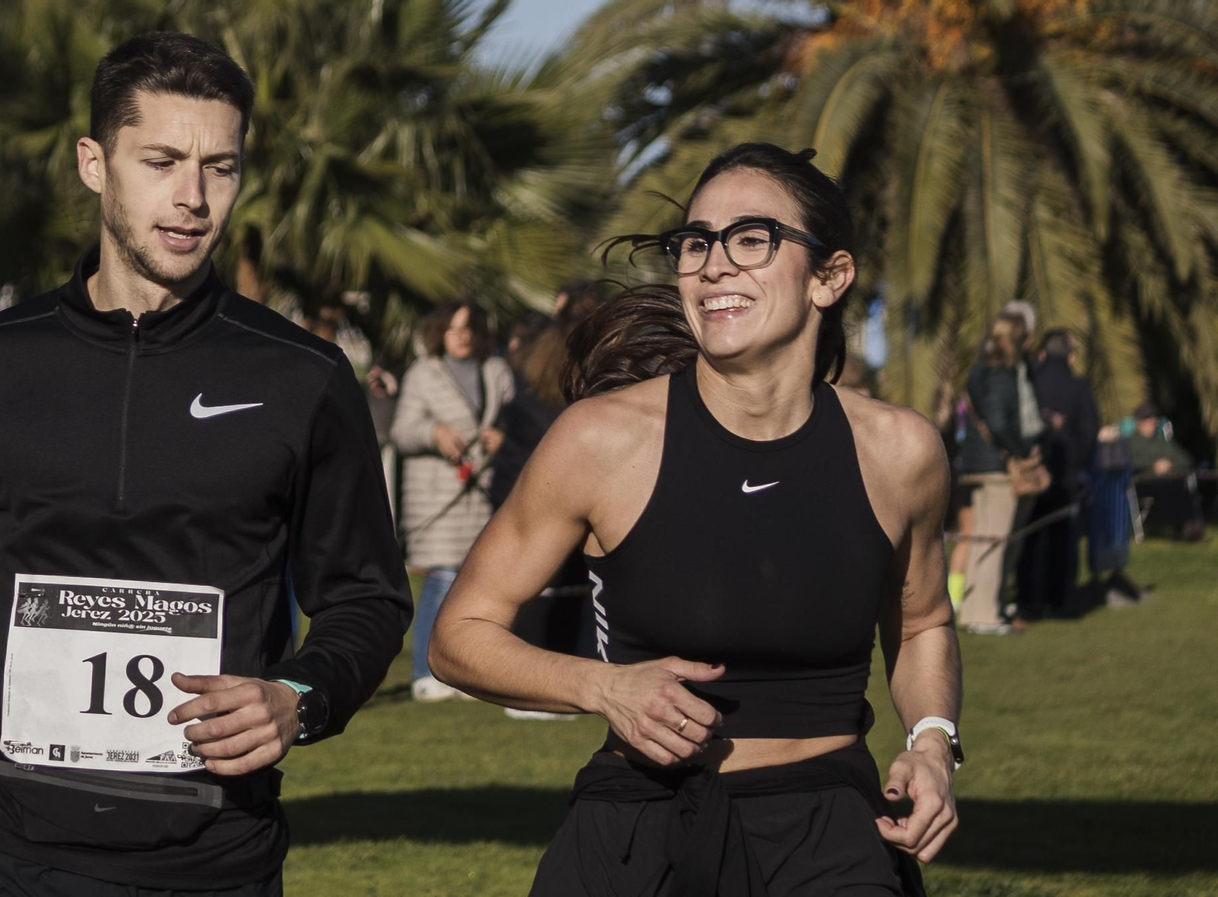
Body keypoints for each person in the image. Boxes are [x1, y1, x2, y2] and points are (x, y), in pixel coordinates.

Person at [0, 33, 411, 897]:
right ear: (95, 163)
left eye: (222, 167)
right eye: (161, 160)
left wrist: (299, 695)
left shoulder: (304, 378)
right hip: (0, 850)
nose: (193, 197)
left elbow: (366, 596)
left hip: (212, 855)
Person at [430, 143, 958, 895]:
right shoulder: (599, 439)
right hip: (641, 824)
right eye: (696, 243)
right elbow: (458, 634)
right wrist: (602, 686)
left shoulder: (901, 451)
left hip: (830, 836)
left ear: (829, 278)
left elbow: (926, 622)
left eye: (751, 239)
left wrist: (933, 743)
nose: (713, 265)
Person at [488, 284, 603, 723]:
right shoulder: (567, 364)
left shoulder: (544, 363)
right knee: (548, 587)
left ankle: (554, 681)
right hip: (550, 486)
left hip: (536, 485)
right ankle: (539, 685)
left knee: (551, 587)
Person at [390, 302, 514, 702]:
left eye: (469, 327)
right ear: (439, 332)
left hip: (484, 495)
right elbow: (403, 431)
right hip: (437, 498)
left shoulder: (497, 371)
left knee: (479, 585)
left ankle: (470, 673)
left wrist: (503, 439)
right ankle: (426, 672)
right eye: (453, 328)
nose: (462, 335)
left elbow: (519, 419)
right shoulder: (422, 374)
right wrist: (435, 432)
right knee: (442, 579)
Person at [957, 312, 1044, 635]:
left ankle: (977, 610)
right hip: (995, 467)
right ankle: (984, 615)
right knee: (994, 540)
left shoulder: (980, 371)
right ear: (1018, 339)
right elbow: (998, 422)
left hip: (980, 464)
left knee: (985, 540)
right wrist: (1022, 449)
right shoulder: (1000, 374)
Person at [1018, 329, 1099, 619]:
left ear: (1042, 353)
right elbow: (1089, 431)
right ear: (1070, 355)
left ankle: (1028, 600)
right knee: (1062, 539)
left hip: (1033, 472)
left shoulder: (1031, 382)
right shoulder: (1078, 387)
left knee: (1030, 538)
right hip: (1065, 475)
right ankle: (1058, 600)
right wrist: (1077, 464)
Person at [1125, 403, 1203, 541]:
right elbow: (1128, 463)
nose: (1152, 422)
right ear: (1138, 422)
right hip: (1142, 483)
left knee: (1183, 489)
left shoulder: (1163, 442)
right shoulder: (1130, 442)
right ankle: (1184, 529)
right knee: (1169, 490)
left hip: (1168, 480)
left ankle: (1191, 531)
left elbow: (1186, 460)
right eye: (1147, 418)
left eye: (1154, 418)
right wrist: (1152, 466)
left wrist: (1169, 464)